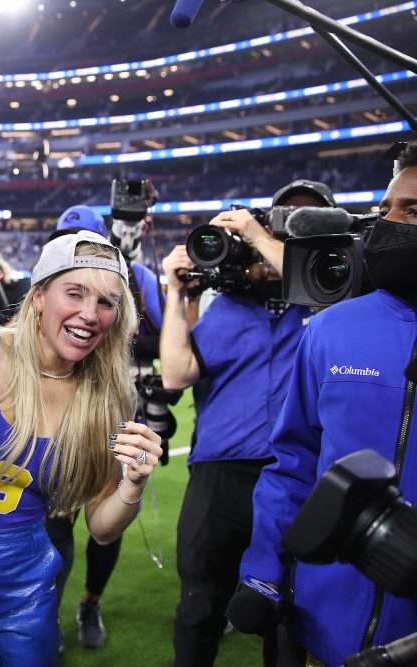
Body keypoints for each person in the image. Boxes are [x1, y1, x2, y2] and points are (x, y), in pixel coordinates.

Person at [0, 232, 163, 666]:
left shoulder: (110, 397)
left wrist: (134, 483)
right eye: (75, 292)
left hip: (25, 576)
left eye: (107, 302)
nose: (90, 314)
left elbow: (102, 528)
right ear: (40, 295)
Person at [235, 144, 417, 667]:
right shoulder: (331, 328)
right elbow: (292, 465)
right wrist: (263, 573)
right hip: (321, 625)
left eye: (413, 210)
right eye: (385, 210)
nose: (389, 224)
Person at [159, 183, 332, 666]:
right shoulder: (223, 305)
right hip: (220, 473)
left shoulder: (327, 304)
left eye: (305, 224)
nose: (290, 231)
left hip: (299, 477)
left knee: (290, 612)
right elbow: (175, 374)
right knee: (201, 603)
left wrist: (257, 232)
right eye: (284, 220)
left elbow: (311, 282)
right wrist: (177, 293)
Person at [42, 205, 170, 651]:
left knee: (107, 515)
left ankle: (90, 602)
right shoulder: (51, 287)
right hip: (55, 412)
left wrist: (121, 331)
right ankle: (47, 613)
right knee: (54, 522)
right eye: (65, 237)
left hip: (117, 409)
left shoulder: (136, 279)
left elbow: (165, 336)